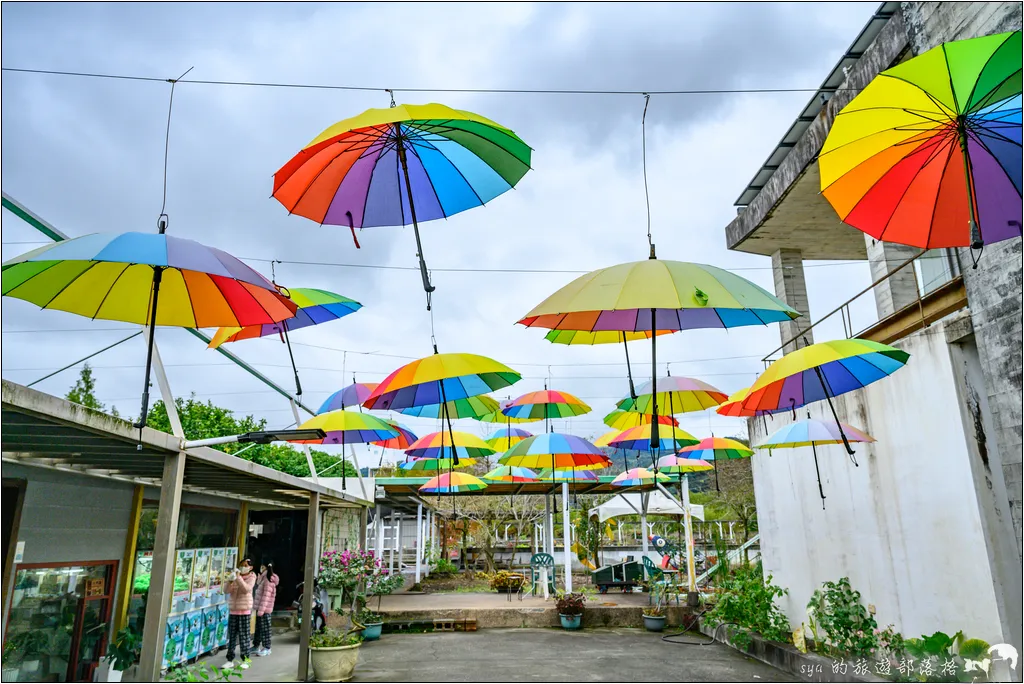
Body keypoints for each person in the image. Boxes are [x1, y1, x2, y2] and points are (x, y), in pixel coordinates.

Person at [223, 557, 256, 669]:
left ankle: (245, 659)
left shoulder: (252, 577)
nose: (243, 567)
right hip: (233, 611)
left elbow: (246, 589)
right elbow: (226, 591)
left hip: (244, 611)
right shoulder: (236, 576)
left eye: (246, 565)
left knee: (244, 636)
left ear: (250, 567)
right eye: (242, 565)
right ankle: (229, 659)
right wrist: (230, 581)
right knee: (232, 636)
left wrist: (238, 578)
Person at [252, 561, 279, 657]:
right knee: (258, 628)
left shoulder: (269, 579)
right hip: (260, 608)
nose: (260, 568)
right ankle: (256, 646)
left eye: (262, 566)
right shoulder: (264, 577)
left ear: (266, 567)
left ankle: (267, 648)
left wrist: (261, 610)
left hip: (264, 609)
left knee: (265, 629)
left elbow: (266, 596)